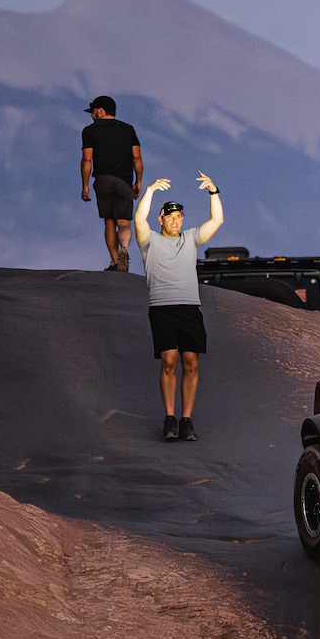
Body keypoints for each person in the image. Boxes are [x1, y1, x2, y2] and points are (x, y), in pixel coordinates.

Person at [132, 172, 224, 441]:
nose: (175, 220)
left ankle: (186, 420)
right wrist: (150, 191)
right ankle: (170, 418)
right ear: (161, 219)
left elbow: (217, 220)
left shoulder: (190, 238)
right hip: (162, 308)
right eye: (170, 216)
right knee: (169, 361)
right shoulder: (149, 241)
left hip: (189, 308)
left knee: (191, 363)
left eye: (179, 217)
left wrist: (213, 191)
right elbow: (139, 220)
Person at [80, 95, 143, 271]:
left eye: (93, 111)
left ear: (101, 110)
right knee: (124, 222)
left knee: (109, 221)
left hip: (103, 180)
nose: (91, 115)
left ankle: (115, 262)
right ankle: (124, 250)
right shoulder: (128, 129)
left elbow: (87, 159)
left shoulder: (89, 131)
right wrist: (138, 181)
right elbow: (137, 157)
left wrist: (85, 186)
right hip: (124, 181)